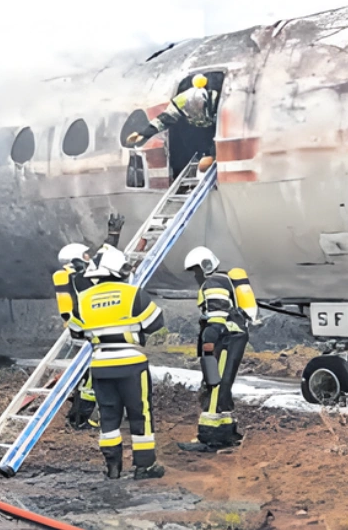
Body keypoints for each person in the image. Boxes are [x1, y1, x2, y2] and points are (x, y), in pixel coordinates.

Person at [67, 246, 166, 480]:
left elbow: (76, 334)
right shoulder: (134, 294)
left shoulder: (83, 300)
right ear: (120, 269)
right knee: (140, 413)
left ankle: (113, 467)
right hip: (132, 364)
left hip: (100, 365)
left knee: (108, 416)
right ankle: (144, 466)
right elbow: (155, 323)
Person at [177, 246, 259, 452]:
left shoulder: (213, 283)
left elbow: (217, 316)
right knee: (222, 385)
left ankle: (210, 437)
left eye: (196, 270)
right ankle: (226, 433)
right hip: (233, 338)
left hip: (224, 340)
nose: (195, 275)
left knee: (214, 384)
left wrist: (208, 341)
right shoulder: (225, 280)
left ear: (205, 266)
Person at [54, 214, 125, 430]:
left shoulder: (80, 274)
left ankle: (77, 415)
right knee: (90, 380)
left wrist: (114, 235)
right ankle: (78, 420)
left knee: (87, 377)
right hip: (84, 332)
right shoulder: (69, 276)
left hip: (86, 330)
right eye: (84, 255)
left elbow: (103, 255)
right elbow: (68, 307)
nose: (88, 257)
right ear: (75, 259)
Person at [126, 73, 219, 174]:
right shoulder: (181, 101)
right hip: (197, 135)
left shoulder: (217, 101)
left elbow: (222, 129)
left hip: (214, 130)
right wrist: (143, 134)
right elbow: (164, 119)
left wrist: (214, 155)